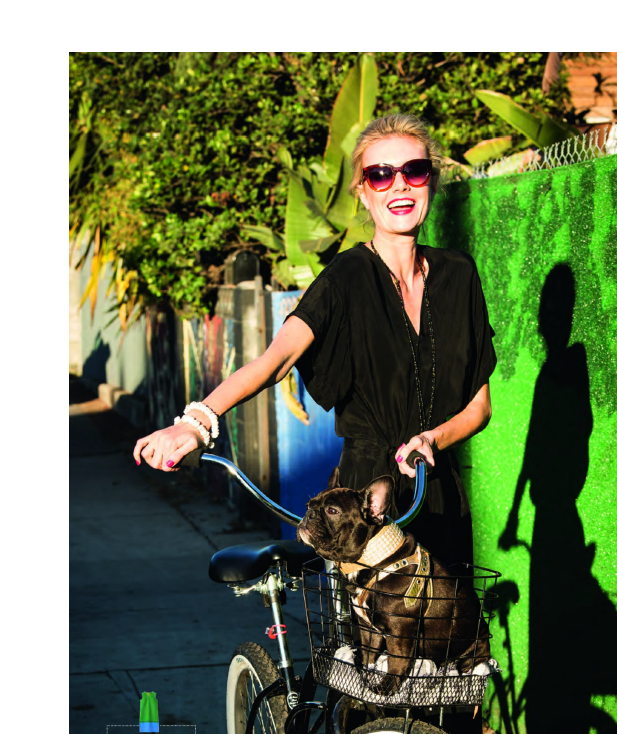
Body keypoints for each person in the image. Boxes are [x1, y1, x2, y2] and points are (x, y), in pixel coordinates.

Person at [134, 113, 496, 565]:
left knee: (450, 612)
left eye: (414, 171)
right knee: (376, 614)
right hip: (361, 514)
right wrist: (197, 421)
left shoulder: (459, 274)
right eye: (380, 175)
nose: (399, 185)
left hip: (438, 495)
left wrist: (432, 440)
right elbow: (275, 361)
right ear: (362, 192)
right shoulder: (345, 277)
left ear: (432, 183)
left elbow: (479, 407)